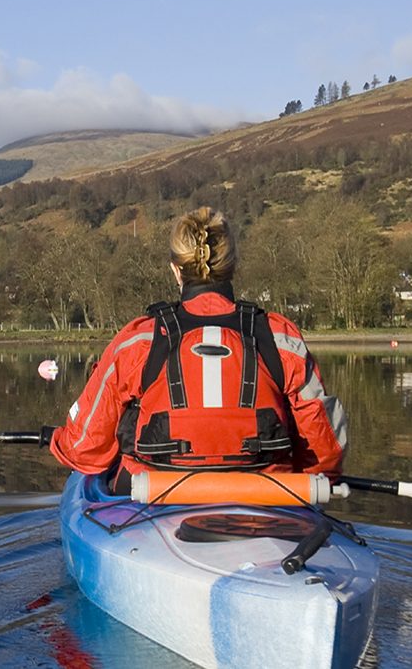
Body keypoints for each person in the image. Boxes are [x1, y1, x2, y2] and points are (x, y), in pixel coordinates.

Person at [47, 207, 346, 484]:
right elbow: (324, 454)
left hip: (151, 503)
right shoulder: (281, 339)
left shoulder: (137, 341)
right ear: (232, 267)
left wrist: (58, 440)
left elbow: (83, 450)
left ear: (176, 270)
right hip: (265, 504)